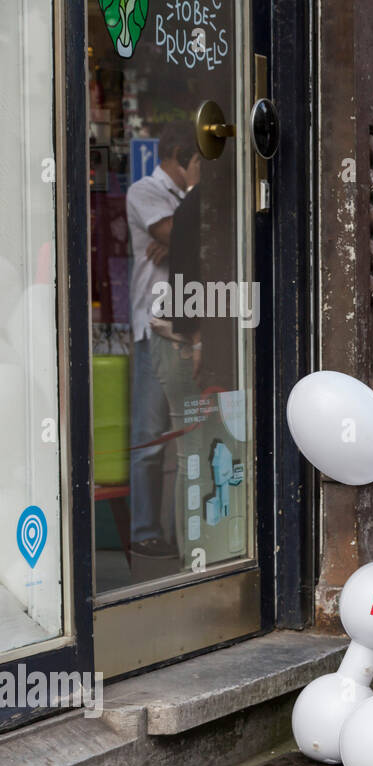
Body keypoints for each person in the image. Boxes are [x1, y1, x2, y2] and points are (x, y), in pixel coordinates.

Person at [125, 123, 200, 560]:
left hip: (187, 323)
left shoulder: (183, 199)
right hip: (153, 327)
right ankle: (143, 530)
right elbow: (176, 233)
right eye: (195, 165)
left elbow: (190, 236)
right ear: (178, 158)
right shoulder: (144, 191)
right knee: (150, 436)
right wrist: (183, 235)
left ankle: (179, 532)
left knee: (188, 432)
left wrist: (182, 238)